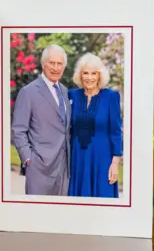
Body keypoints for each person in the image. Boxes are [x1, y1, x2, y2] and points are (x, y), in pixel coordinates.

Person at [11, 44, 71, 196]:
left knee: (60, 215)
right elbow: (18, 129)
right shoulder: (28, 92)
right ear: (43, 64)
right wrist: (28, 159)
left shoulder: (65, 91)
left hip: (63, 169)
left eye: (59, 64)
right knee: (37, 215)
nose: (56, 67)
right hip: (39, 168)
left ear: (64, 66)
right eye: (52, 63)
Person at [67, 52, 123, 198]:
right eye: (85, 73)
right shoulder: (72, 95)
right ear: (80, 75)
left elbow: (116, 131)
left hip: (102, 161)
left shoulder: (111, 97)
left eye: (94, 73)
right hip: (78, 159)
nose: (89, 77)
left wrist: (115, 163)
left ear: (100, 76)